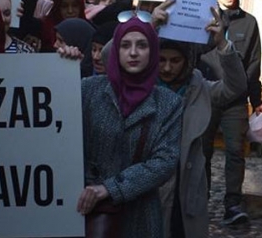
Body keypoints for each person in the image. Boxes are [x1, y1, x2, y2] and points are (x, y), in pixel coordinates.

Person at [77, 14, 183, 237]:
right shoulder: (88, 90)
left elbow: (164, 162)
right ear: (115, 51)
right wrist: (62, 65)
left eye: (142, 45)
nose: (133, 52)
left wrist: (110, 188)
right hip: (87, 207)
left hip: (140, 214)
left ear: (152, 51)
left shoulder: (169, 103)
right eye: (125, 45)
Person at [153, 1, 247, 238]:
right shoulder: (143, 87)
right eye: (161, 59)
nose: (167, 67)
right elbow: (110, 57)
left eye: (175, 61)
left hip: (187, 187)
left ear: (186, 61)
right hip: (152, 186)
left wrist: (223, 45)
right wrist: (149, 27)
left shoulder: (199, 87)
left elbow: (235, 88)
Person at [198, 0, 262, 226]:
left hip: (235, 99)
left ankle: (233, 204)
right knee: (201, 151)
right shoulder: (201, 18)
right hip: (205, 93)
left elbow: (254, 63)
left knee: (236, 152)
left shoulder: (249, 22)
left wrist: (256, 100)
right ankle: (199, 201)